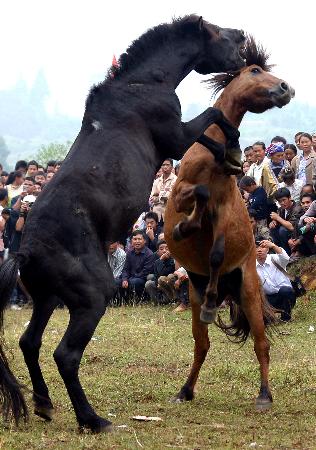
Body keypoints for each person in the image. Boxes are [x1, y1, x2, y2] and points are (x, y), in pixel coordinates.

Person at [256, 239, 296, 322]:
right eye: (256, 248)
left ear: (267, 249)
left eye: (263, 247)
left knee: (286, 290)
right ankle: (267, 315)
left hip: (284, 296)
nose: (259, 250)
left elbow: (285, 258)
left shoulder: (275, 259)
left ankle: (286, 317)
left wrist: (273, 246)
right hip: (267, 299)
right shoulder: (252, 266)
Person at [120, 230, 155, 298]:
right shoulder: (129, 253)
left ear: (144, 241)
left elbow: (145, 272)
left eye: (139, 239)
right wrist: (125, 279)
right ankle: (120, 300)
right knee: (118, 282)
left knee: (134, 282)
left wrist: (130, 279)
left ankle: (139, 299)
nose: (137, 241)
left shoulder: (149, 254)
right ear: (131, 242)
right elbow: (126, 269)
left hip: (142, 279)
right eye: (135, 239)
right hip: (131, 278)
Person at [269, 187, 302, 255]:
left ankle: (288, 253)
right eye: (279, 201)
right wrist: (273, 222)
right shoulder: (281, 209)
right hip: (287, 234)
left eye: (284, 200)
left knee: (282, 230)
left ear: (290, 198)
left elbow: (292, 227)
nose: (282, 203)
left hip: (298, 234)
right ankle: (280, 252)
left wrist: (277, 218)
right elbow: (277, 221)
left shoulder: (297, 208)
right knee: (273, 229)